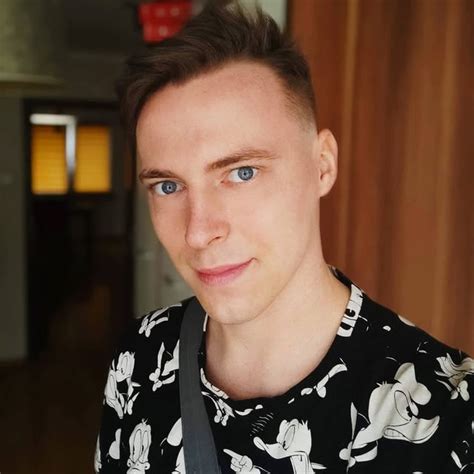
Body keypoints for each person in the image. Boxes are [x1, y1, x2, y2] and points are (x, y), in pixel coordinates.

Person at [94, 1, 474, 472]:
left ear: (322, 165)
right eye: (168, 186)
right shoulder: (140, 356)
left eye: (242, 172)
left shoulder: (448, 414)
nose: (198, 231)